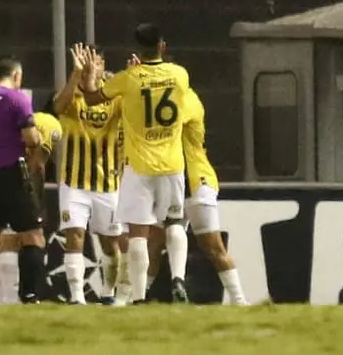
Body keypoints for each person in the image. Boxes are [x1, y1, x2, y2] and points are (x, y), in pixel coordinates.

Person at [78, 24, 192, 305]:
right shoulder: (180, 75)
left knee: (138, 232)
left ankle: (139, 297)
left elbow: (93, 99)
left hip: (138, 167)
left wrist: (89, 77)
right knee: (174, 222)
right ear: (162, 46)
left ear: (137, 48)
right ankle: (178, 278)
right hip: (173, 164)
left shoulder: (128, 79)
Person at [146, 88, 249, 305]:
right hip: (172, 183)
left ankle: (240, 301)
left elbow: (164, 122)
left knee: (212, 246)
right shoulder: (164, 99)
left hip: (196, 181)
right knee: (153, 243)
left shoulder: (189, 99)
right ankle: (136, 297)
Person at [0, 57, 49, 304]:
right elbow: (31, 138)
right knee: (33, 236)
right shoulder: (17, 99)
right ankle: (29, 295)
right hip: (13, 174)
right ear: (16, 76)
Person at [51, 43, 126, 305]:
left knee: (110, 244)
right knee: (75, 235)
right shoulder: (71, 95)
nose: (90, 67)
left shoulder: (116, 98)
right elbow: (58, 108)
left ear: (104, 65)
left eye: (96, 62)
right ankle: (77, 297)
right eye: (86, 62)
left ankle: (108, 293)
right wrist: (76, 74)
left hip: (108, 183)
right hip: (74, 182)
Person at [0, 109, 61, 304]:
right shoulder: (51, 125)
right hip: (12, 182)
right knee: (26, 238)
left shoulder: (9, 119)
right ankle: (17, 298)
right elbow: (37, 166)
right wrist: (35, 203)